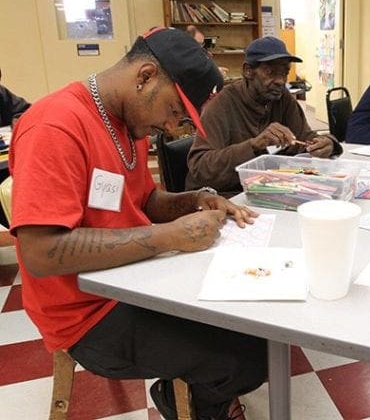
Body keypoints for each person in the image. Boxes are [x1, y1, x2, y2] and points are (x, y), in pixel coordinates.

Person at [9, 27, 267, 420]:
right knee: (244, 358)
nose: (172, 126)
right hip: (87, 315)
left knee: (254, 324)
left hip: (134, 280)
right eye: (175, 111)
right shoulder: (54, 126)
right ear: (145, 77)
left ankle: (196, 395)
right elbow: (41, 252)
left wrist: (194, 200)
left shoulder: (127, 123)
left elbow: (143, 200)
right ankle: (194, 407)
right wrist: (170, 236)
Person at [186, 36, 342, 197]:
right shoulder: (221, 105)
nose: (280, 81)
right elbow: (200, 167)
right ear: (248, 71)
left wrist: (328, 143)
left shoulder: (282, 98)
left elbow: (303, 138)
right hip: (225, 195)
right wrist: (254, 146)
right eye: (271, 72)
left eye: (285, 73)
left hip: (268, 189)